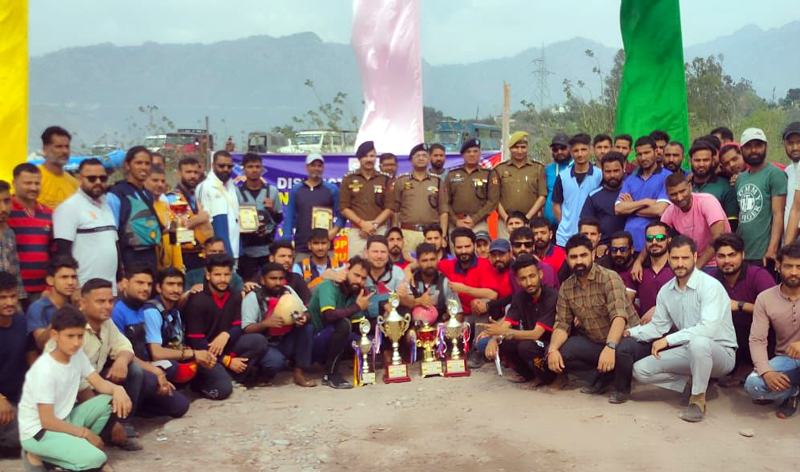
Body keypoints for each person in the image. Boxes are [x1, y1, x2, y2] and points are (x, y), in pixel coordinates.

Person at [628, 236, 737, 422]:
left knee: (699, 342)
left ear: (695, 257)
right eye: (675, 258)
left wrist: (668, 340)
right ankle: (690, 383)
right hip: (689, 350)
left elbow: (707, 329)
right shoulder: (666, 291)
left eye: (685, 258)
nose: (680, 263)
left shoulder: (710, 286)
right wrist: (630, 332)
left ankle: (697, 400)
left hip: (721, 354)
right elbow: (658, 326)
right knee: (640, 371)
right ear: (669, 258)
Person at [17, 306, 132, 472]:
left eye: (80, 336)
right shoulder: (44, 370)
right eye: (70, 336)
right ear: (55, 335)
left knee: (110, 400)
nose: (76, 342)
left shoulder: (77, 355)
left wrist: (118, 390)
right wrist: (84, 433)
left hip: (64, 419)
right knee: (98, 459)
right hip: (39, 431)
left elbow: (99, 384)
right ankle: (40, 455)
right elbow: (46, 420)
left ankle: (63, 455)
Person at [547, 234, 645, 404]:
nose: (579, 261)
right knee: (562, 351)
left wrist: (610, 346)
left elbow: (619, 317)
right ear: (567, 259)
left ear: (592, 255)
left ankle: (621, 388)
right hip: (597, 341)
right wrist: (552, 350)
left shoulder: (609, 277)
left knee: (621, 350)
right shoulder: (566, 287)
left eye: (583, 255)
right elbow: (562, 324)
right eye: (574, 257)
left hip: (627, 338)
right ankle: (605, 376)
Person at [68, 278, 142, 450]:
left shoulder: (106, 322)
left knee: (133, 370)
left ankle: (123, 424)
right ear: (83, 303)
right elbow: (80, 386)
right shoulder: (72, 330)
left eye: (110, 301)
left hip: (94, 382)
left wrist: (122, 361)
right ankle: (111, 429)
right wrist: (110, 421)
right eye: (100, 302)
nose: (107, 306)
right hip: (71, 396)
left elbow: (125, 346)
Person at [110, 264, 190, 418]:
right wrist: (155, 372)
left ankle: (139, 406)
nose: (145, 288)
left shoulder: (141, 307)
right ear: (125, 283)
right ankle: (123, 419)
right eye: (140, 283)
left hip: (144, 364)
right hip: (125, 367)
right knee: (149, 377)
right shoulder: (117, 311)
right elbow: (120, 352)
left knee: (180, 406)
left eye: (148, 284)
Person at [183, 254, 268, 394]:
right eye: (217, 275)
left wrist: (226, 334)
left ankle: (231, 377)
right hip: (202, 354)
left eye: (226, 274)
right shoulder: (196, 301)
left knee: (258, 341)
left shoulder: (234, 295)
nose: (223, 279)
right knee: (222, 391)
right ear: (208, 275)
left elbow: (238, 326)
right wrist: (227, 360)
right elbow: (197, 342)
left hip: (226, 346)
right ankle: (201, 384)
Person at [481, 254, 560, 387]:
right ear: (517, 280)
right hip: (532, 341)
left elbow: (536, 334)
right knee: (504, 343)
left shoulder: (552, 296)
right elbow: (506, 325)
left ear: (540, 274)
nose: (529, 282)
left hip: (551, 343)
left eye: (532, 276)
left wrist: (503, 333)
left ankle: (547, 377)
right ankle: (528, 375)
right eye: (523, 278)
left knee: (526, 347)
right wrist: (494, 339)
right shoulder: (519, 297)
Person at [709, 233, 776, 387]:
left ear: (742, 255)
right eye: (721, 256)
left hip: (760, 335)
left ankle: (746, 367)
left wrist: (740, 305)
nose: (727, 261)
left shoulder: (758, 275)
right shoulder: (712, 277)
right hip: (728, 334)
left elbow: (775, 310)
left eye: (732, 255)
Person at [744, 243, 800, 418]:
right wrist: (766, 372)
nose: (794, 272)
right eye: (788, 266)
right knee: (753, 384)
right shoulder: (765, 298)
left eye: (799, 267)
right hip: (787, 360)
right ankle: (792, 392)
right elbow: (757, 340)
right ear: (778, 266)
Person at [242, 263, 316, 387]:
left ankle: (299, 373)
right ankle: (260, 374)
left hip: (286, 339)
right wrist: (265, 323)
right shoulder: (253, 297)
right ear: (262, 280)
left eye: (281, 278)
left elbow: (305, 311)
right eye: (273, 279)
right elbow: (246, 329)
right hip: (266, 344)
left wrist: (303, 318)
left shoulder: (288, 291)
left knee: (307, 328)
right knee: (275, 363)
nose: (278, 282)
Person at [53, 159, 119, 292]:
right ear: (79, 179)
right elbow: (63, 253)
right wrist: (73, 287)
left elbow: (114, 244)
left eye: (102, 178)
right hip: (83, 289)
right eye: (92, 178)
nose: (98, 182)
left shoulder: (106, 206)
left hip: (110, 289)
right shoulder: (68, 208)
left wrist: (120, 278)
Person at [308, 256, 372, 389]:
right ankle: (331, 375)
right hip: (314, 341)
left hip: (334, 339)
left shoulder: (354, 293)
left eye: (363, 278)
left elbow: (357, 326)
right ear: (346, 270)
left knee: (367, 337)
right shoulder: (329, 285)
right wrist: (358, 307)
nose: (359, 280)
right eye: (356, 275)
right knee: (343, 324)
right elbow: (329, 316)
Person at [141, 268, 205, 388]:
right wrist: (193, 354)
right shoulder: (152, 311)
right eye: (170, 284)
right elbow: (156, 353)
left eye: (179, 285)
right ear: (159, 288)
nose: (176, 289)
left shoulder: (174, 311)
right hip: (149, 363)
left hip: (171, 353)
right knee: (173, 367)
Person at [736, 128, 787, 269]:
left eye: (758, 145)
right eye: (748, 146)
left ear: (766, 147)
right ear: (741, 151)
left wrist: (772, 249)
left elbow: (779, 214)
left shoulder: (775, 174)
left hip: (764, 255)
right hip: (744, 254)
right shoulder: (740, 179)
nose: (753, 150)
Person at [107, 146, 161, 270]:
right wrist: (119, 268)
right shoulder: (116, 194)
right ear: (127, 165)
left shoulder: (148, 194)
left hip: (150, 256)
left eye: (147, 163)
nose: (143, 167)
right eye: (138, 163)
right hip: (128, 257)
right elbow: (112, 234)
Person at [661, 171, 730, 268]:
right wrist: (639, 262)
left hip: (718, 262)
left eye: (682, 191)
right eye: (674, 194)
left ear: (690, 187)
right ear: (667, 195)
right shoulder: (671, 211)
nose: (679, 198)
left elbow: (719, 237)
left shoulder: (707, 201)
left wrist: (696, 268)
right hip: (691, 263)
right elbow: (656, 234)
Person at [615, 136, 670, 252]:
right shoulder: (630, 179)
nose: (643, 157)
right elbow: (618, 209)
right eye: (639, 154)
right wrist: (645, 202)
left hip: (655, 243)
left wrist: (630, 207)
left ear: (656, 152)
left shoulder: (667, 177)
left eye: (647, 153)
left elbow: (659, 210)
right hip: (629, 246)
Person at [283, 154, 342, 262]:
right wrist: (286, 243)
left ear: (323, 168)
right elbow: (289, 218)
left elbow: (341, 214)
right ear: (306, 167)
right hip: (302, 246)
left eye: (319, 166)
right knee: (301, 277)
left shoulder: (332, 189)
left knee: (328, 277)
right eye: (313, 165)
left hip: (325, 246)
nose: (316, 168)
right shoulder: (297, 190)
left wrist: (334, 230)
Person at [340, 141, 394, 258]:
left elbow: (390, 208)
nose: (369, 159)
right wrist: (362, 224)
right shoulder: (349, 179)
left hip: (379, 230)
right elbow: (344, 208)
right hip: (357, 232)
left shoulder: (384, 179)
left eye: (372, 156)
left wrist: (373, 225)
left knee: (380, 264)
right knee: (356, 266)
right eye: (365, 156)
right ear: (359, 159)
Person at [9, 164, 53, 307]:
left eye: (37, 183)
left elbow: (54, 251)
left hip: (42, 291)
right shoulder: (6, 212)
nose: (33, 187)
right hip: (11, 291)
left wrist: (49, 287)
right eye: (28, 183)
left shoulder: (48, 214)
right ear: (14, 183)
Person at [0, 271, 34, 455]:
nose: (10, 302)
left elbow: (30, 359)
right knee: (21, 437)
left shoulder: (21, 322)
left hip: (18, 397)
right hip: (2, 401)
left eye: (13, 296)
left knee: (40, 430)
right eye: (3, 297)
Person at [236, 153, 283, 281]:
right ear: (244, 169)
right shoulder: (237, 193)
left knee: (271, 281)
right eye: (250, 167)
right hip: (246, 250)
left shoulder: (271, 191)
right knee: (249, 283)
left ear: (262, 169)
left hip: (268, 248)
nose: (254, 170)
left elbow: (279, 219)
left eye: (257, 166)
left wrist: (271, 210)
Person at [392, 145, 447, 252]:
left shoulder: (437, 181)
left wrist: (443, 235)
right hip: (408, 232)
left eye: (424, 156)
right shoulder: (401, 181)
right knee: (408, 265)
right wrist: (396, 233)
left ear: (429, 159)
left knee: (430, 265)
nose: (421, 158)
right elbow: (395, 210)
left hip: (431, 234)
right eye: (418, 156)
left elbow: (443, 211)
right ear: (411, 160)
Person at [553, 133, 602, 246]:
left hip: (590, 238)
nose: (580, 154)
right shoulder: (563, 176)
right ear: (570, 152)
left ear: (590, 150)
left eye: (583, 150)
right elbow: (556, 205)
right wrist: (565, 223)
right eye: (576, 151)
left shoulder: (599, 175)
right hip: (564, 238)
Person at [495, 131, 547, 239]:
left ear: (527, 148)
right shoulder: (500, 169)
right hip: (505, 221)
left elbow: (542, 196)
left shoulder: (537, 168)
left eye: (523, 147)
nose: (519, 151)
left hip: (530, 220)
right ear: (510, 148)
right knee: (505, 252)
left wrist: (527, 217)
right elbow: (494, 198)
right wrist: (507, 219)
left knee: (528, 251)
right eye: (516, 147)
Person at [443, 139, 499, 237]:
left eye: (475, 151)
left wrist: (474, 219)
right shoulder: (452, 174)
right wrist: (456, 221)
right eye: (468, 152)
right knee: (458, 251)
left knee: (480, 251)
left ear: (480, 153)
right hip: (456, 223)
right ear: (463, 155)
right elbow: (445, 201)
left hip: (479, 223)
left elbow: (492, 201)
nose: (472, 154)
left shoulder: (489, 174)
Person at [438, 228, 497, 321]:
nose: (463, 251)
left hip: (479, 314)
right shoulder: (447, 265)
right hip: (456, 316)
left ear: (474, 246)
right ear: (453, 248)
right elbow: (427, 262)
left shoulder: (484, 264)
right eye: (459, 247)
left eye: (467, 246)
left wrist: (464, 289)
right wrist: (409, 269)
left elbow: (493, 295)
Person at [167, 157, 212, 271]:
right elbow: (176, 228)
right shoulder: (174, 197)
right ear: (179, 174)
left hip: (200, 252)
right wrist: (199, 219)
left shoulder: (195, 196)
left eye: (195, 172)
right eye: (188, 172)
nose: (193, 176)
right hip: (183, 254)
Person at [197, 150, 242, 263]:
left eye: (229, 166)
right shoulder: (206, 187)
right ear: (213, 166)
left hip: (235, 247)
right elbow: (204, 222)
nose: (226, 169)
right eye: (221, 166)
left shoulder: (233, 187)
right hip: (217, 253)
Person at [27, 256, 79, 352]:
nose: (70, 282)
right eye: (64, 277)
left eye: (73, 277)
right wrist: (59, 318)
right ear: (50, 280)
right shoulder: (38, 308)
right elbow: (41, 344)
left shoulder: (72, 308)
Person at [581, 152, 628, 253]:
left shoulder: (631, 191)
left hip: (628, 249)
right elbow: (586, 226)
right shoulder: (594, 196)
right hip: (602, 250)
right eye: (608, 171)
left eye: (616, 171)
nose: (612, 175)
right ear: (602, 171)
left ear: (623, 168)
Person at [689, 140, 739, 231]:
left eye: (705, 160)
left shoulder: (726, 187)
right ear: (690, 161)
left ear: (713, 161)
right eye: (697, 160)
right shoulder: (684, 188)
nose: (701, 164)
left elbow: (732, 224)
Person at [627, 222, 674, 321]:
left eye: (660, 238)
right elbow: (627, 302)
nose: (654, 242)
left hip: (675, 330)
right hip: (644, 329)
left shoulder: (678, 269)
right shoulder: (637, 270)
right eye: (649, 238)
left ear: (669, 241)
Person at [408, 243, 462, 323]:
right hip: (413, 329)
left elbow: (459, 314)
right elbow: (400, 305)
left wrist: (446, 327)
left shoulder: (445, 282)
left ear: (437, 259)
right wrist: (418, 301)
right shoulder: (410, 280)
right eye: (424, 261)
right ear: (418, 262)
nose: (429, 264)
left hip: (439, 329)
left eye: (432, 259)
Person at [145, 166, 182, 270]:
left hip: (168, 269)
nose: (160, 184)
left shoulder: (166, 205)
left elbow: (174, 238)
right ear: (144, 181)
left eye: (163, 181)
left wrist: (178, 267)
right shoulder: (141, 206)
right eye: (155, 180)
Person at [183, 237, 248, 296]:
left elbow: (242, 296)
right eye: (213, 252)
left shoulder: (235, 278)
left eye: (221, 252)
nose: (217, 255)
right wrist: (189, 292)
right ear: (204, 253)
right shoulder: (191, 276)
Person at [292, 229, 345, 293]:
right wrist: (322, 278)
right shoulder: (299, 267)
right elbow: (298, 293)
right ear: (309, 245)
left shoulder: (341, 266)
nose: (320, 248)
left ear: (329, 245)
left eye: (323, 243)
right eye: (316, 243)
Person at [37, 126, 78, 209]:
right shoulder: (33, 178)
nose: (65, 151)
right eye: (59, 147)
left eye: (67, 147)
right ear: (45, 149)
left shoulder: (74, 183)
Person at [556, 217, 603, 282]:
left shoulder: (607, 255)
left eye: (593, 234)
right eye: (585, 234)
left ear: (599, 237)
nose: (589, 237)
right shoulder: (572, 256)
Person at [0, 181, 24, 301]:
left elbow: (15, 271)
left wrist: (17, 300)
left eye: (7, 201)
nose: (3, 208)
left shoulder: (9, 233)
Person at [269, 241, 312, 305]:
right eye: (282, 256)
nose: (287, 260)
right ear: (272, 258)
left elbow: (308, 303)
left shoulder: (296, 278)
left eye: (290, 256)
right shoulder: (263, 277)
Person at [544, 133, 572, 226]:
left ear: (570, 148)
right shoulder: (548, 169)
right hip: (549, 225)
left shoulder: (577, 167)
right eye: (555, 149)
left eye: (563, 148)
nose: (559, 152)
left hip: (570, 225)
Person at [780, 123, 800, 242]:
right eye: (790, 143)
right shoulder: (788, 171)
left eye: (799, 142)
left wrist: (787, 248)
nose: (795, 147)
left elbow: (796, 209)